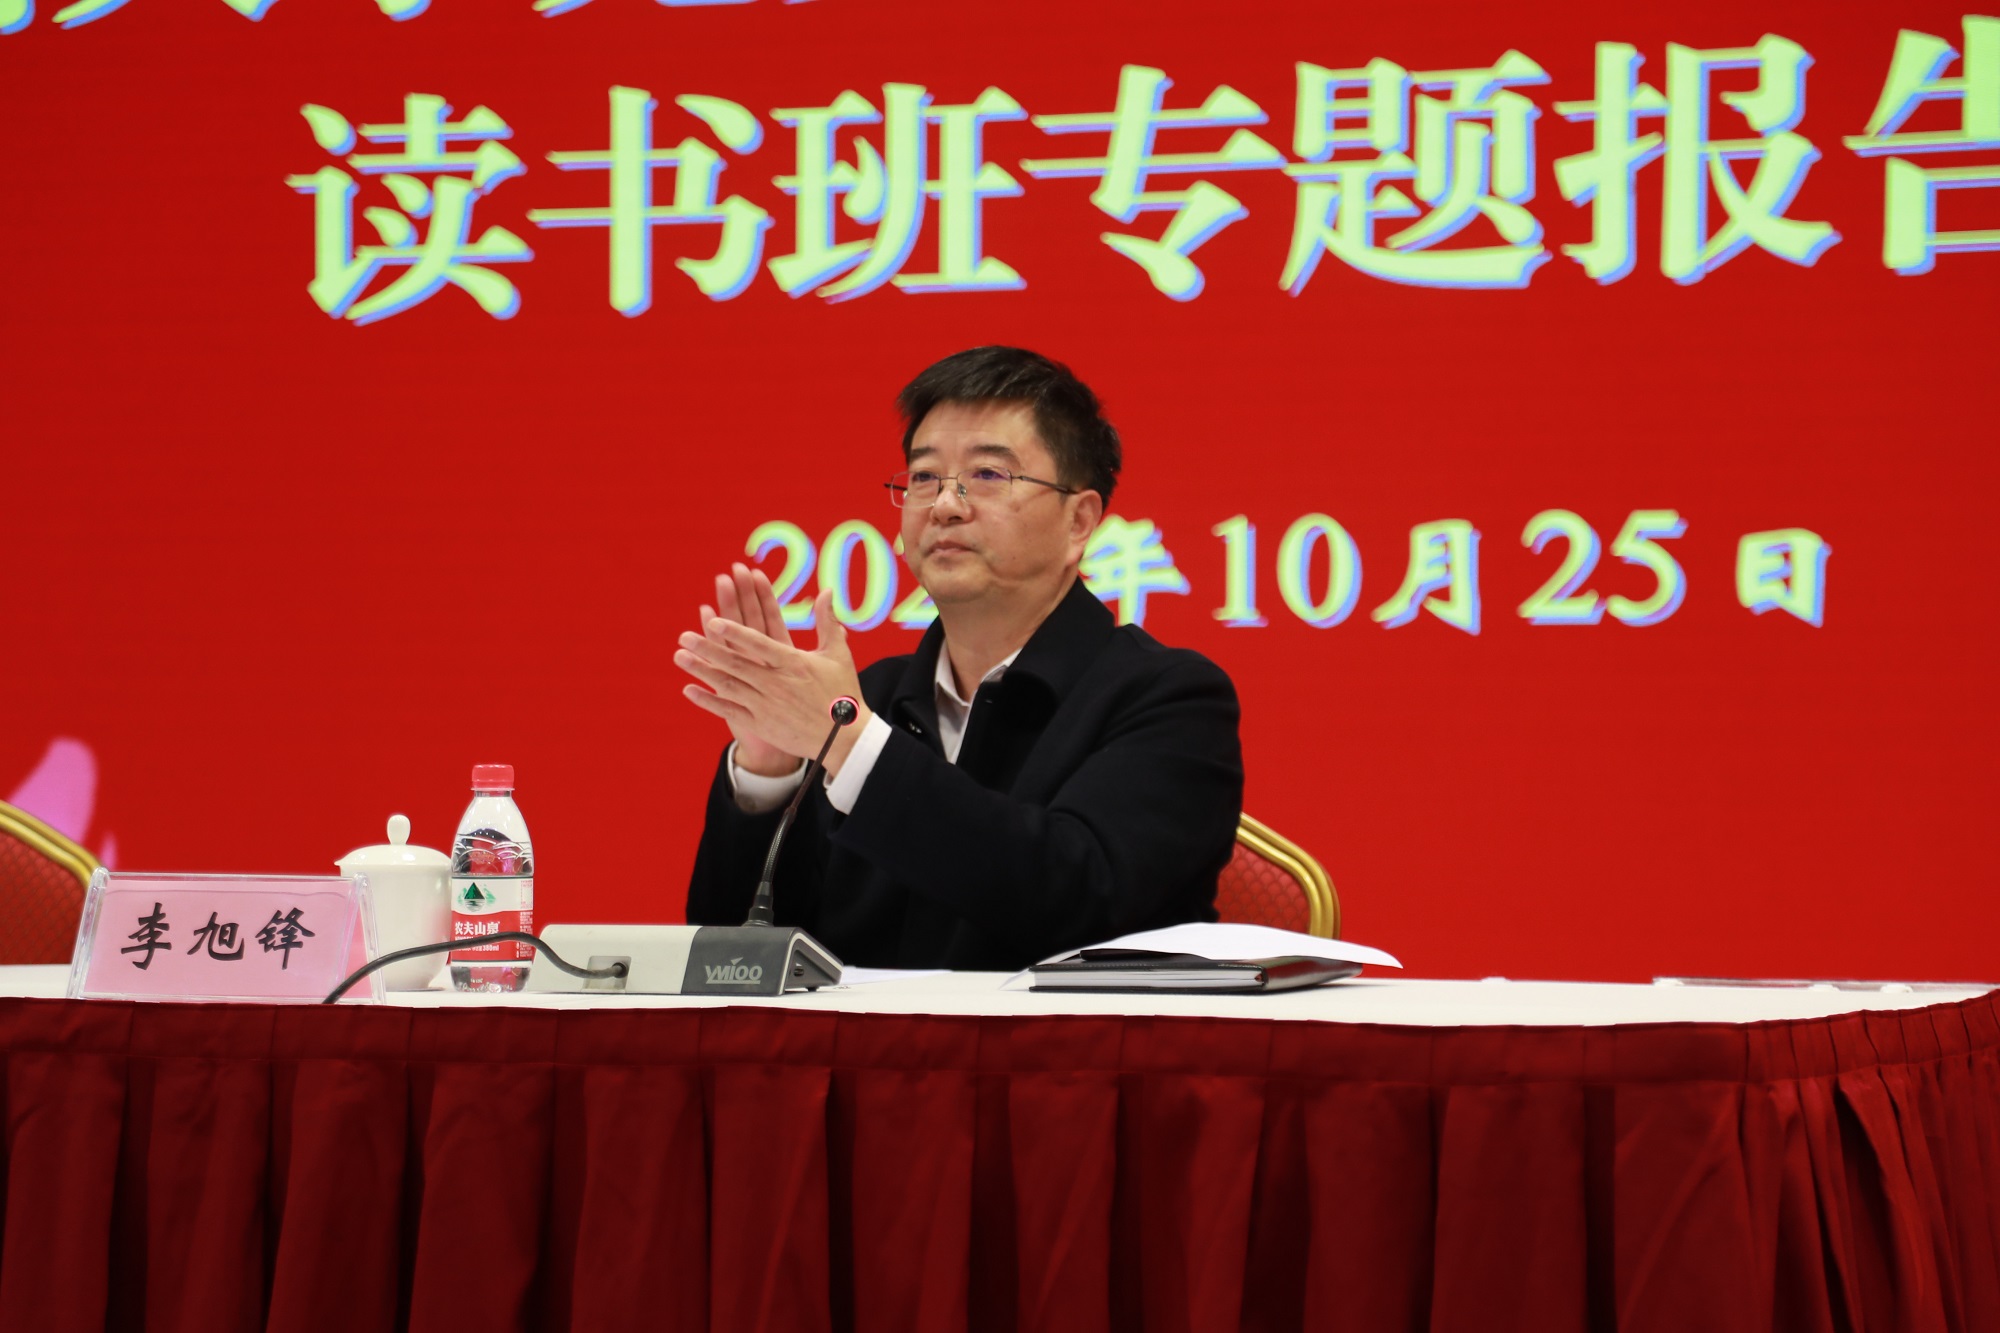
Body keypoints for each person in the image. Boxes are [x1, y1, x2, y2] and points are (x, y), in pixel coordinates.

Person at [677, 346, 1243, 970]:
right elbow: (736, 963)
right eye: (924, 477)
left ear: (1079, 521)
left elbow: (1081, 900)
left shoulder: (1169, 698)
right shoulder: (870, 700)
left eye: (988, 475)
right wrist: (769, 772)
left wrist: (857, 749)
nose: (945, 505)